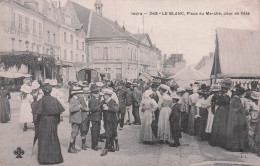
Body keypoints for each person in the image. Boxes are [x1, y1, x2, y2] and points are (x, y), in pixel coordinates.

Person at [32, 83, 64, 164]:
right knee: (53, 138)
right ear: (51, 91)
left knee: (43, 139)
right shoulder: (55, 100)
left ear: (43, 91)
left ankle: (44, 159)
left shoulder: (41, 101)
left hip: (43, 122)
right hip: (53, 122)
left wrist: (36, 124)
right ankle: (56, 159)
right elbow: (58, 113)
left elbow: (36, 115)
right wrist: (56, 122)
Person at [209, 78, 232, 148]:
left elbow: (213, 102)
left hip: (220, 110)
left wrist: (213, 109)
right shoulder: (228, 95)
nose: (225, 89)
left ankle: (216, 141)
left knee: (218, 125)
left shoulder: (218, 94)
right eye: (224, 88)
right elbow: (213, 101)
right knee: (222, 125)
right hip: (224, 110)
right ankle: (220, 142)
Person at [225, 86, 249, 152]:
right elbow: (241, 109)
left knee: (233, 131)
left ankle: (232, 146)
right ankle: (239, 146)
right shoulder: (239, 100)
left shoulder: (232, 99)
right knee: (239, 131)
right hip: (239, 118)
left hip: (233, 118)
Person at [100, 89, 119, 156]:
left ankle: (113, 146)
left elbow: (116, 109)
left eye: (104, 95)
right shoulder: (103, 102)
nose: (103, 96)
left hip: (113, 120)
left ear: (108, 95)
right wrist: (102, 106)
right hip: (106, 120)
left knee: (113, 133)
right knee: (108, 133)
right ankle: (109, 147)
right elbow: (100, 106)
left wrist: (108, 108)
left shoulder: (113, 101)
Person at [68, 87, 84, 153]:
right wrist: (78, 107)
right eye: (79, 93)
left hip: (77, 119)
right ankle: (70, 148)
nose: (81, 94)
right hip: (74, 119)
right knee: (74, 133)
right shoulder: (72, 100)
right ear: (76, 93)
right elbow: (71, 109)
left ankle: (73, 147)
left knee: (76, 133)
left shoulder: (76, 99)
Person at [88, 84, 102, 151]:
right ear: (93, 94)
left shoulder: (96, 99)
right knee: (94, 132)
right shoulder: (92, 100)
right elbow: (92, 109)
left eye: (98, 93)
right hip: (94, 118)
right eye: (97, 93)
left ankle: (96, 144)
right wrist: (100, 107)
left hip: (98, 118)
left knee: (97, 132)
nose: (98, 94)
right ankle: (94, 146)